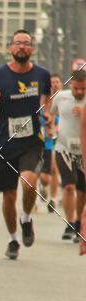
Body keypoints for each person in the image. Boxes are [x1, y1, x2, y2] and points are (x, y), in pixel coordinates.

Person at [0, 30, 51, 260]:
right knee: (8, 195)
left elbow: (46, 102)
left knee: (29, 182)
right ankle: (13, 239)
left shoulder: (42, 74)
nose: (22, 47)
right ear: (10, 48)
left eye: (26, 43)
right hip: (5, 142)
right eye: (18, 43)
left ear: (31, 49)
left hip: (32, 141)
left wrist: (48, 116)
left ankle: (26, 218)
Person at [53, 70, 86, 241]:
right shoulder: (61, 97)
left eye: (83, 89)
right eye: (77, 88)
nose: (80, 92)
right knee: (69, 186)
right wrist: (50, 128)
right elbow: (48, 113)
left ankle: (80, 223)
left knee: (82, 191)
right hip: (63, 147)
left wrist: (84, 114)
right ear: (71, 84)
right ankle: (70, 222)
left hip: (83, 151)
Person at [40, 73, 62, 212]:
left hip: (58, 139)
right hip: (42, 140)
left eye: (57, 82)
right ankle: (42, 186)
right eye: (51, 82)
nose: (54, 84)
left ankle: (53, 199)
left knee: (55, 169)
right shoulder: (42, 101)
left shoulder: (63, 100)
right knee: (44, 177)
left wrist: (56, 128)